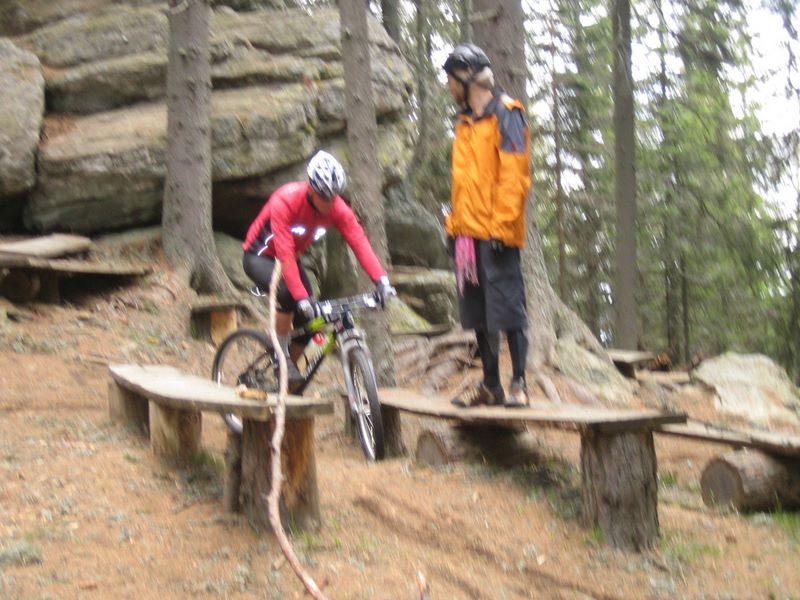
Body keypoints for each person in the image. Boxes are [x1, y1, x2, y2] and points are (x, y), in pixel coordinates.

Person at [242, 150, 395, 386]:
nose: (328, 203)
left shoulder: (337, 208)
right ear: (311, 189)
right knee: (288, 295)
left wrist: (381, 280)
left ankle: (286, 376)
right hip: (259, 256)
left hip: (291, 258)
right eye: (324, 196)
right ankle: (280, 357)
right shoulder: (285, 201)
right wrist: (301, 297)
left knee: (310, 323)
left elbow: (359, 242)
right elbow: (284, 255)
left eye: (333, 197)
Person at [442, 43, 532, 408]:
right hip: (468, 235)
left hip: (497, 234)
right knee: (477, 313)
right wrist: (453, 226)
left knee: (509, 309)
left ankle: (520, 384)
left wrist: (502, 227)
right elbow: (462, 184)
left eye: (451, 78)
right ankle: (491, 385)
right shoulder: (464, 123)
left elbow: (514, 176)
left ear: (467, 78)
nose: (449, 86)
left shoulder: (507, 114)